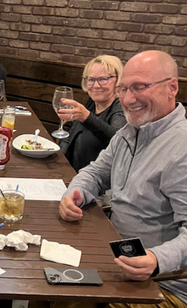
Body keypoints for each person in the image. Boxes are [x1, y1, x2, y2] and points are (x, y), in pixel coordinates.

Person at [59, 51, 187, 307]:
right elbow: (96, 172)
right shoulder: (130, 132)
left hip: (161, 282)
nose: (128, 99)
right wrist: (74, 194)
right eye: (123, 89)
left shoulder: (181, 148)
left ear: (172, 87)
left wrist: (155, 258)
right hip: (113, 254)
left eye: (139, 87)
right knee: (49, 281)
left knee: (68, 299)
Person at [59, 55, 126, 172]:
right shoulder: (92, 102)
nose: (95, 86)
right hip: (72, 175)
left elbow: (117, 140)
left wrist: (86, 116)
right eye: (91, 79)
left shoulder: (121, 106)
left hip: (97, 183)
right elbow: (69, 137)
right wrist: (58, 160)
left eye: (103, 79)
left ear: (118, 80)